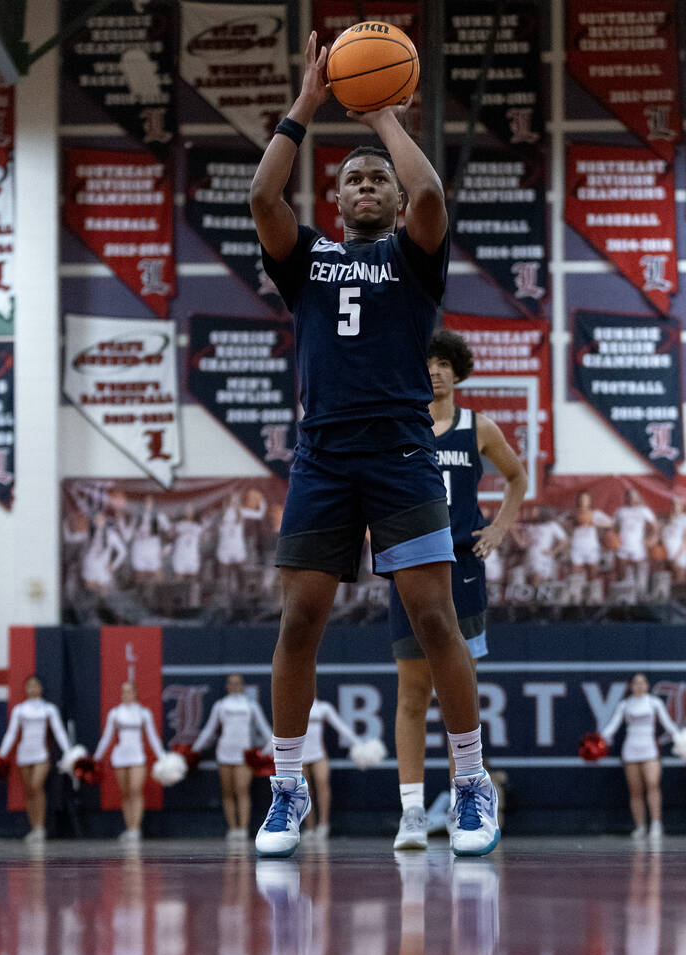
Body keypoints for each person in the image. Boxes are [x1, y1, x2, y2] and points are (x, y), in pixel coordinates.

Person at [249, 31, 498, 858]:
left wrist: (387, 116)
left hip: (399, 453)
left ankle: (469, 785)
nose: (364, 184)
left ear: (387, 202)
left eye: (375, 179)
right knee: (300, 623)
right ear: (337, 199)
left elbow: (430, 195)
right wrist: (308, 103)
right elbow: (261, 197)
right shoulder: (309, 258)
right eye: (351, 177)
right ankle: (287, 789)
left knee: (433, 618)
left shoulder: (412, 255)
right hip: (323, 455)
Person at [390, 327, 526, 850]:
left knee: (458, 691)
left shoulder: (478, 427)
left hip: (461, 568)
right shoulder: (401, 424)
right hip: (406, 562)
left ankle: (464, 802)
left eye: (445, 362)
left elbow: (518, 479)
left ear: (459, 369)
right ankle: (411, 814)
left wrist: (498, 528)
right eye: (428, 361)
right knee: (410, 692)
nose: (436, 370)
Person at [191, 673, 273, 842]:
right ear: (227, 686)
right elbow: (209, 730)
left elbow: (265, 730)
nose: (235, 686)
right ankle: (232, 828)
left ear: (243, 686)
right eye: (231, 683)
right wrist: (193, 750)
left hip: (244, 755)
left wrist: (266, 751)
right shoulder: (220, 706)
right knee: (227, 792)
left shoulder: (252, 706)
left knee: (242, 791)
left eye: (238, 683)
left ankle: (243, 828)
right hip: (224, 754)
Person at [599, 673, 679, 842]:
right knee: (635, 790)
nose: (640, 686)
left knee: (652, 784)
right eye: (636, 683)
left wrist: (683, 741)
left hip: (650, 749)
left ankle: (656, 824)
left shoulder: (654, 702)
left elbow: (668, 724)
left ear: (648, 685)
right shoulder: (624, 704)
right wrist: (600, 740)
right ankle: (640, 826)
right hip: (631, 750)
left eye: (643, 683)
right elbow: (612, 726)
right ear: (631, 686)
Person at [0, 675, 71, 843]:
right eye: (29, 686)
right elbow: (12, 733)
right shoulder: (20, 709)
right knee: (29, 791)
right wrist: (1, 755)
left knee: (36, 786)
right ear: (25, 689)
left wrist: (69, 752)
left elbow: (59, 731)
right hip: (24, 753)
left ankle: (40, 827)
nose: (32, 689)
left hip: (41, 755)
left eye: (35, 685)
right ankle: (34, 827)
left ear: (40, 688)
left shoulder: (48, 709)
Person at [93, 680, 165, 843]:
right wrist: (95, 758)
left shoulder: (144, 713)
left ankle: (135, 828)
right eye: (123, 691)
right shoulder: (115, 713)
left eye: (129, 691)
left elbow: (152, 736)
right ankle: (129, 826)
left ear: (135, 693)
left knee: (135, 789)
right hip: (120, 756)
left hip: (137, 756)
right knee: (125, 793)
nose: (126, 695)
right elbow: (107, 737)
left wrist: (162, 757)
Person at [300, 696, 363, 841]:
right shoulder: (294, 706)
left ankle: (323, 825)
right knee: (304, 790)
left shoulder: (323, 707)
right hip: (300, 755)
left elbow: (341, 727)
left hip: (319, 755)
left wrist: (358, 743)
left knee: (323, 785)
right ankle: (309, 827)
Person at [613, 487, 657, 594]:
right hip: (622, 547)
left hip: (638, 547)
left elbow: (654, 526)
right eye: (629, 495)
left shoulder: (644, 510)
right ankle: (623, 599)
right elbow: (614, 528)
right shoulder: (620, 511)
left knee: (640, 578)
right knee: (621, 578)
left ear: (638, 497)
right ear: (626, 497)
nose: (631, 497)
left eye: (634, 495)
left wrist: (650, 539)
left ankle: (639, 598)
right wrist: (615, 541)